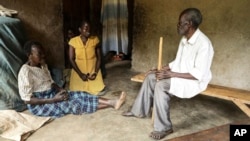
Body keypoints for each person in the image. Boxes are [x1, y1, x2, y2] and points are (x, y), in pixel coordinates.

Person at [122, 8, 214, 140]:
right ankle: (138, 111)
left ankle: (165, 127)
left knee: (161, 85)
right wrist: (160, 69)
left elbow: (198, 74)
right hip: (180, 75)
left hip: (194, 82)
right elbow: (178, 62)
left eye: (180, 23)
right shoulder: (184, 40)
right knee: (151, 77)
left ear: (189, 24)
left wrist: (171, 74)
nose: (177, 25)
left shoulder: (204, 44)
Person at [18, 41, 126, 118]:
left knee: (81, 94)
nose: (43, 55)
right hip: (40, 104)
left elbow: (50, 83)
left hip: (53, 94)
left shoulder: (43, 65)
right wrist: (53, 100)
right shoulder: (25, 71)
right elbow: (27, 100)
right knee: (73, 104)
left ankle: (112, 102)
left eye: (43, 52)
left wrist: (60, 89)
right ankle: (112, 104)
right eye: (39, 54)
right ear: (29, 55)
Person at [68, 20, 106, 96]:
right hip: (79, 70)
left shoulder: (95, 40)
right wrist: (80, 74)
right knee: (77, 91)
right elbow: (71, 59)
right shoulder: (73, 41)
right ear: (80, 30)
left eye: (89, 29)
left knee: (99, 89)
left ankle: (94, 81)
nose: (88, 31)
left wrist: (95, 72)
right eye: (86, 28)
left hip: (92, 69)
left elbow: (99, 58)